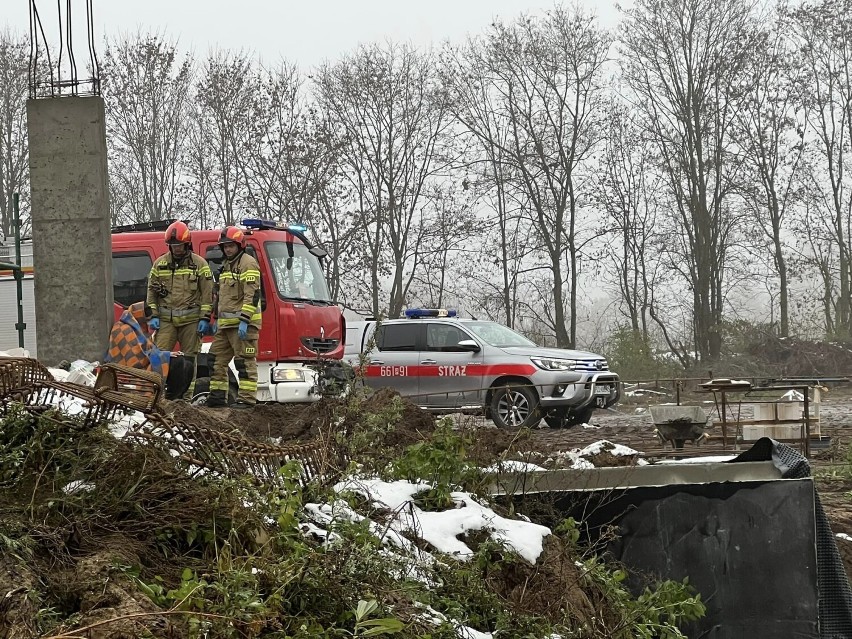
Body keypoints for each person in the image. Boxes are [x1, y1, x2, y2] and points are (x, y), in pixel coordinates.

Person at [146, 221, 214, 398]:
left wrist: (204, 318)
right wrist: (153, 315)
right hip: (166, 321)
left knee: (190, 359)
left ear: (187, 243)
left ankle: (186, 397)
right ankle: (157, 396)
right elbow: (151, 292)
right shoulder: (159, 265)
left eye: (179, 245)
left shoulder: (200, 265)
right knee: (158, 358)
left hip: (191, 322)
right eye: (173, 245)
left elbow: (207, 294)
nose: (176, 249)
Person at [207, 226, 262, 409]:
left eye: (231, 245)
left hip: (242, 325)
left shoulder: (248, 263)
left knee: (244, 363)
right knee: (214, 360)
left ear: (239, 245)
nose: (228, 249)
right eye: (225, 246)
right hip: (225, 326)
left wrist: (245, 321)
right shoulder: (226, 266)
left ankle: (246, 400)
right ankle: (217, 397)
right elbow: (221, 296)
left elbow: (252, 295)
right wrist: (214, 318)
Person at [104, 301, 194, 400]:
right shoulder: (123, 328)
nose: (146, 324)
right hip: (132, 371)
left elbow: (148, 349)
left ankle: (177, 400)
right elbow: (135, 359)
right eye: (145, 320)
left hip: (146, 362)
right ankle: (170, 399)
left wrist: (165, 354)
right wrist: (165, 355)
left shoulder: (137, 328)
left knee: (188, 365)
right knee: (177, 362)